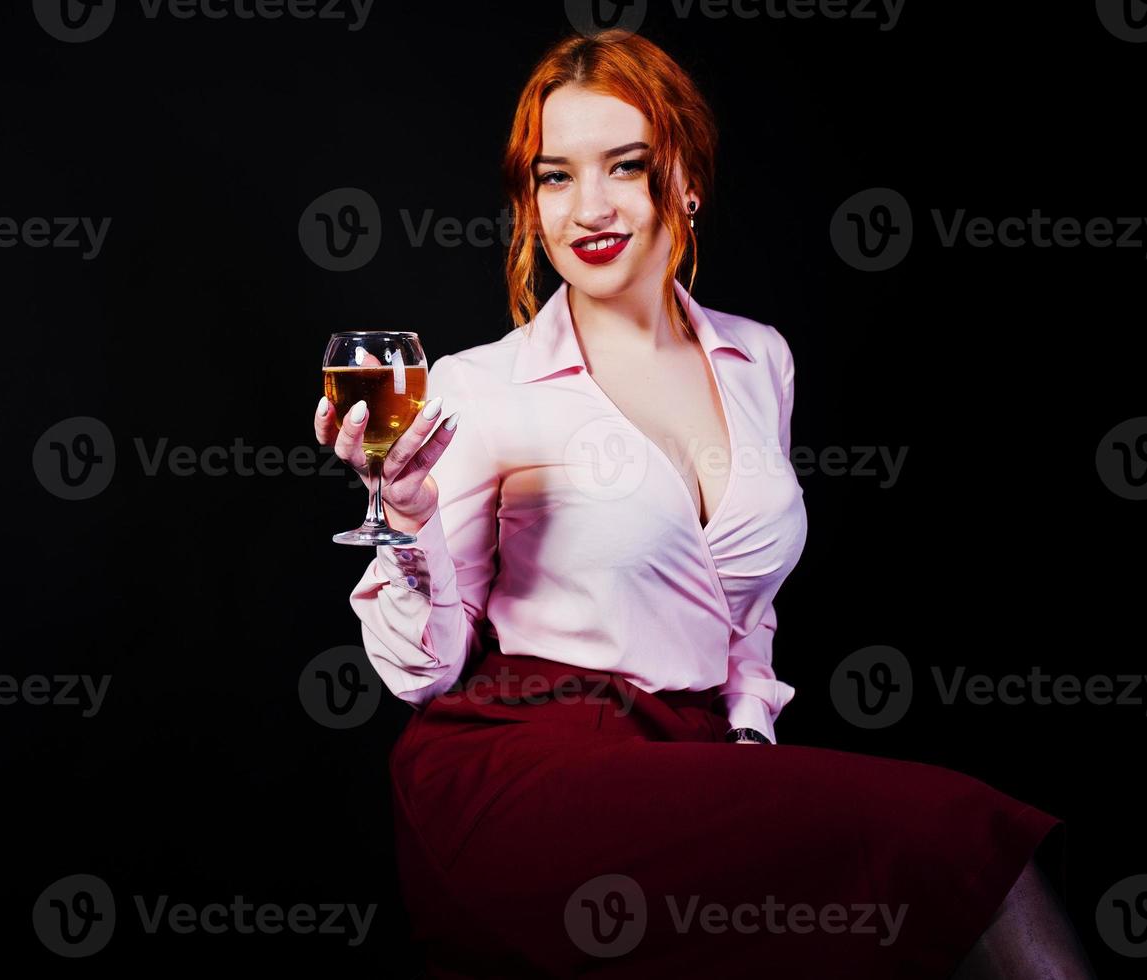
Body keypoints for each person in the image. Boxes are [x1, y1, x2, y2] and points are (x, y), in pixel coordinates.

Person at [313, 30, 1093, 979]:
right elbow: (424, 671)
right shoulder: (481, 387)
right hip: (531, 761)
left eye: (624, 167)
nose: (587, 209)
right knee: (964, 838)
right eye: (555, 177)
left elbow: (745, 609)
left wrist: (749, 732)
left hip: (694, 756)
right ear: (530, 203)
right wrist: (400, 517)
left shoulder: (760, 358)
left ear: (683, 179)